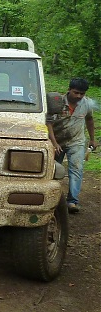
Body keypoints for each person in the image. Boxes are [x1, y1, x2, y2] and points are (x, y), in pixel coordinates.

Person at [46, 78, 96, 213]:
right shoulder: (56, 103)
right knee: (52, 170)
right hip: (57, 141)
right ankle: (50, 199)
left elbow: (89, 119)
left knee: (76, 169)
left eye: (82, 94)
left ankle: (72, 201)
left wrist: (92, 139)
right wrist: (54, 143)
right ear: (69, 90)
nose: (79, 96)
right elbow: (48, 123)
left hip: (76, 141)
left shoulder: (86, 104)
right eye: (76, 93)